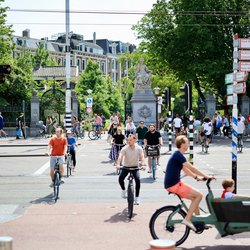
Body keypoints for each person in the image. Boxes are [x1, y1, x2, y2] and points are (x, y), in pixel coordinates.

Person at [164, 135, 215, 231]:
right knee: (199, 195)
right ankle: (187, 219)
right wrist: (206, 176)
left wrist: (197, 178)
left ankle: (200, 222)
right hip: (175, 185)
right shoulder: (178, 155)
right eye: (187, 142)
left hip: (171, 184)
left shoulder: (177, 155)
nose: (188, 144)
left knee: (194, 199)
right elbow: (192, 168)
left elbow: (186, 171)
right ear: (182, 144)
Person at [116, 134, 146, 205]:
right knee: (120, 179)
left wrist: (143, 165)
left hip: (135, 167)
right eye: (127, 140)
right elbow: (120, 156)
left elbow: (142, 157)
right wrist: (118, 164)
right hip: (126, 167)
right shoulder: (125, 148)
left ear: (135, 140)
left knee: (138, 180)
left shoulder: (139, 148)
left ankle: (137, 197)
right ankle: (123, 190)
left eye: (130, 140)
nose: (128, 141)